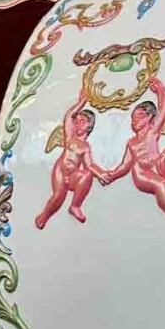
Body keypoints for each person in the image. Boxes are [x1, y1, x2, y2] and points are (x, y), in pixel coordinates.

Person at [99, 77, 165, 227]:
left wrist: (160, 89)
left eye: (139, 116)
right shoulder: (132, 143)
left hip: (157, 166)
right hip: (142, 173)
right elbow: (125, 166)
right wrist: (112, 175)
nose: (134, 120)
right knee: (160, 183)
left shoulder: (152, 132)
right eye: (133, 118)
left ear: (150, 118)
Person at [35, 89, 105, 229]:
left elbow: (89, 165)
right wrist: (82, 102)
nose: (78, 124)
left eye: (82, 121)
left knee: (87, 174)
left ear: (89, 125)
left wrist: (101, 174)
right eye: (77, 121)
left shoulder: (85, 147)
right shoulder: (70, 137)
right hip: (60, 171)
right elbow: (69, 116)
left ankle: (75, 206)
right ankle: (44, 216)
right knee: (58, 198)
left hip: (73, 176)